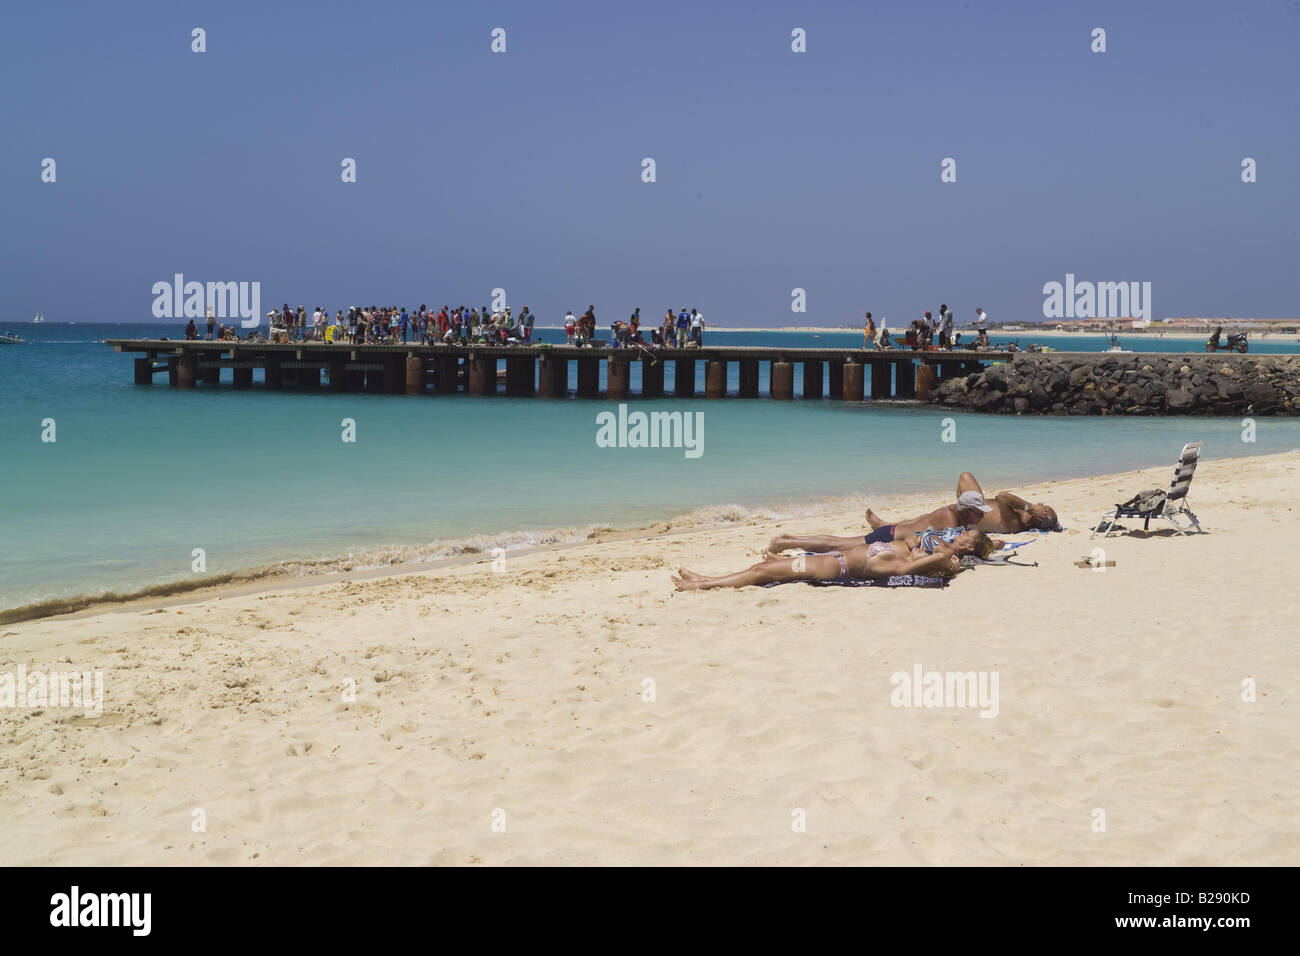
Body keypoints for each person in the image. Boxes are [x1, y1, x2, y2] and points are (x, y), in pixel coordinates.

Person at [672, 528, 992, 591]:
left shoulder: (935, 557)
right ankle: (705, 580)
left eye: (969, 539)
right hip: (838, 558)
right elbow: (910, 541)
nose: (962, 536)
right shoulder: (931, 550)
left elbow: (909, 567)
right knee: (767, 567)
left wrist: (940, 555)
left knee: (762, 571)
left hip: (834, 567)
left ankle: (704, 582)